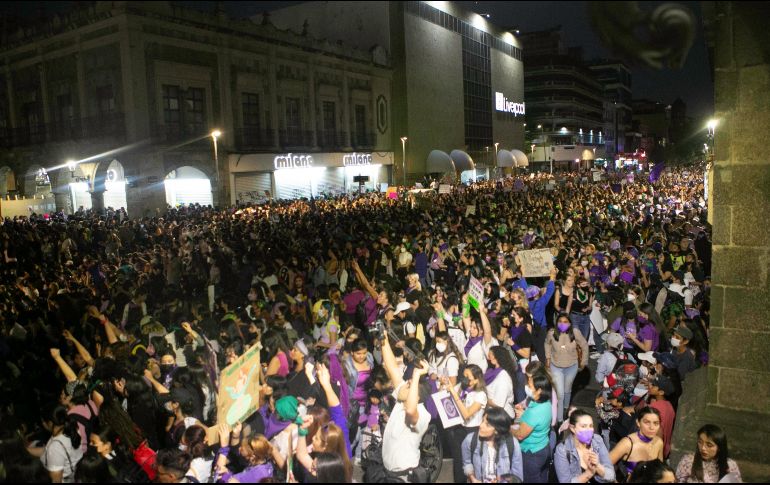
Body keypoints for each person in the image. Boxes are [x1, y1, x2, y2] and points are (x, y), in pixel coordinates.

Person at [379, 330, 432, 477]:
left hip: (404, 475)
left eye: (409, 385)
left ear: (416, 396)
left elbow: (410, 411)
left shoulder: (422, 414)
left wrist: (415, 376)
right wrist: (383, 340)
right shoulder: (402, 400)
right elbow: (392, 368)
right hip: (389, 472)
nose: (405, 383)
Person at [442, 364, 488, 483]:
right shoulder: (462, 387)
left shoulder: (480, 395)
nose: (465, 379)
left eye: (468, 377)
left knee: (473, 462)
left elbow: (467, 414)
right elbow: (444, 392)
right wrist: (443, 384)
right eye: (464, 376)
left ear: (477, 379)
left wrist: (454, 393)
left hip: (473, 431)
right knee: (458, 462)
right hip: (460, 429)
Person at [461, 407, 524, 483]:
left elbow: (516, 476)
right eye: (482, 421)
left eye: (487, 424)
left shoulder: (512, 444)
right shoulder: (470, 439)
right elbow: (467, 462)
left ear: (497, 430)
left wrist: (501, 480)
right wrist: (473, 478)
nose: (481, 425)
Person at [545, 314, 588, 423]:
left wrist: (583, 362)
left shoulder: (575, 332)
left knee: (567, 389)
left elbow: (584, 346)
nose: (563, 324)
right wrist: (548, 358)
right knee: (560, 393)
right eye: (560, 321)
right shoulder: (551, 333)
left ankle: (565, 408)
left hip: (571, 366)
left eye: (565, 322)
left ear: (569, 323)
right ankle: (559, 420)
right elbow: (547, 344)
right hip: (556, 366)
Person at [554, 409, 615, 483]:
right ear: (573, 428)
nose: (589, 430)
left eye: (591, 426)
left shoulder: (597, 440)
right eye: (583, 426)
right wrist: (589, 473)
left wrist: (598, 466)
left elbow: (611, 476)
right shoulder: (562, 450)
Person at [513, 370, 553, 483]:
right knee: (543, 477)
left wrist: (509, 429)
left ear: (539, 390)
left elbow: (520, 435)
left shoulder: (534, 411)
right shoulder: (546, 404)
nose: (526, 387)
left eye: (529, 386)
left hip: (531, 454)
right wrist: (524, 414)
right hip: (543, 447)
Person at [28, 405, 84, 483]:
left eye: (43, 422)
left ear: (50, 423)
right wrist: (25, 450)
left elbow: (56, 480)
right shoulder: (71, 429)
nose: (43, 425)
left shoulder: (55, 447)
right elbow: (45, 451)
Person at [609, 407, 665, 481]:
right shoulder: (627, 443)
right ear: (638, 423)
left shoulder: (659, 442)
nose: (652, 427)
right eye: (647, 422)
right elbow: (605, 466)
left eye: (656, 423)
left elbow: (660, 470)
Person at [675, 424, 742, 483]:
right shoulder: (688, 461)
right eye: (700, 442)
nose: (703, 448)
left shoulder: (730, 465)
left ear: (719, 447)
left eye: (709, 445)